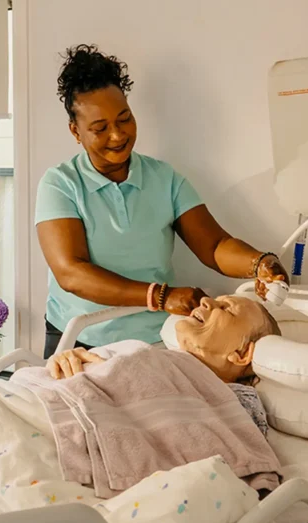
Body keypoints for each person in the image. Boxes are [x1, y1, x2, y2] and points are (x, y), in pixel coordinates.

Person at [36, 44, 288, 358]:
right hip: (78, 341)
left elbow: (214, 245)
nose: (117, 135)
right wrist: (160, 296)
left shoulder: (163, 179)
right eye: (100, 128)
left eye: (124, 119)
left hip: (151, 341)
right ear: (76, 132)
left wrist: (260, 263)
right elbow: (71, 273)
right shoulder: (60, 184)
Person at [48, 295, 279, 383]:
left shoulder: (237, 406)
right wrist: (67, 361)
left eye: (226, 309)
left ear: (240, 354)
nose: (206, 301)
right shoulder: (148, 357)